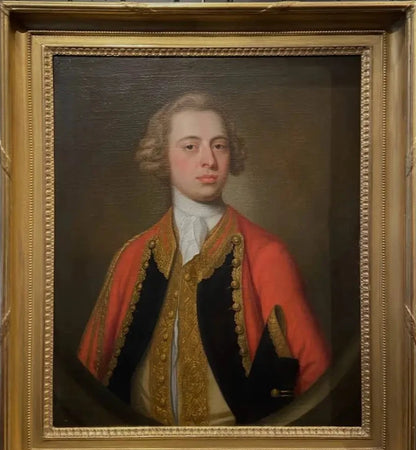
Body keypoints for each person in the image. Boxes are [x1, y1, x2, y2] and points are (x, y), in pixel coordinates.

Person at [78, 92, 330, 426]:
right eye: (190, 146)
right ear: (162, 155)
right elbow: (90, 375)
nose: (209, 160)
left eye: (219, 145)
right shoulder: (132, 256)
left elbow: (315, 374)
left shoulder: (267, 254)